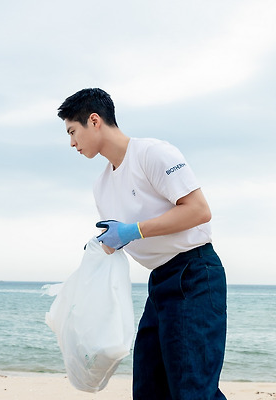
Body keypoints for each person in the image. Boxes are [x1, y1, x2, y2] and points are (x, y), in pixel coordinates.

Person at [57, 88, 227, 400]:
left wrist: (133, 230)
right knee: (149, 389)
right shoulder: (102, 186)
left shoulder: (152, 153)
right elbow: (118, 237)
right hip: (159, 282)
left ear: (94, 120)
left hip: (195, 272)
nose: (71, 143)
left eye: (72, 131)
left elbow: (199, 211)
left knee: (193, 390)